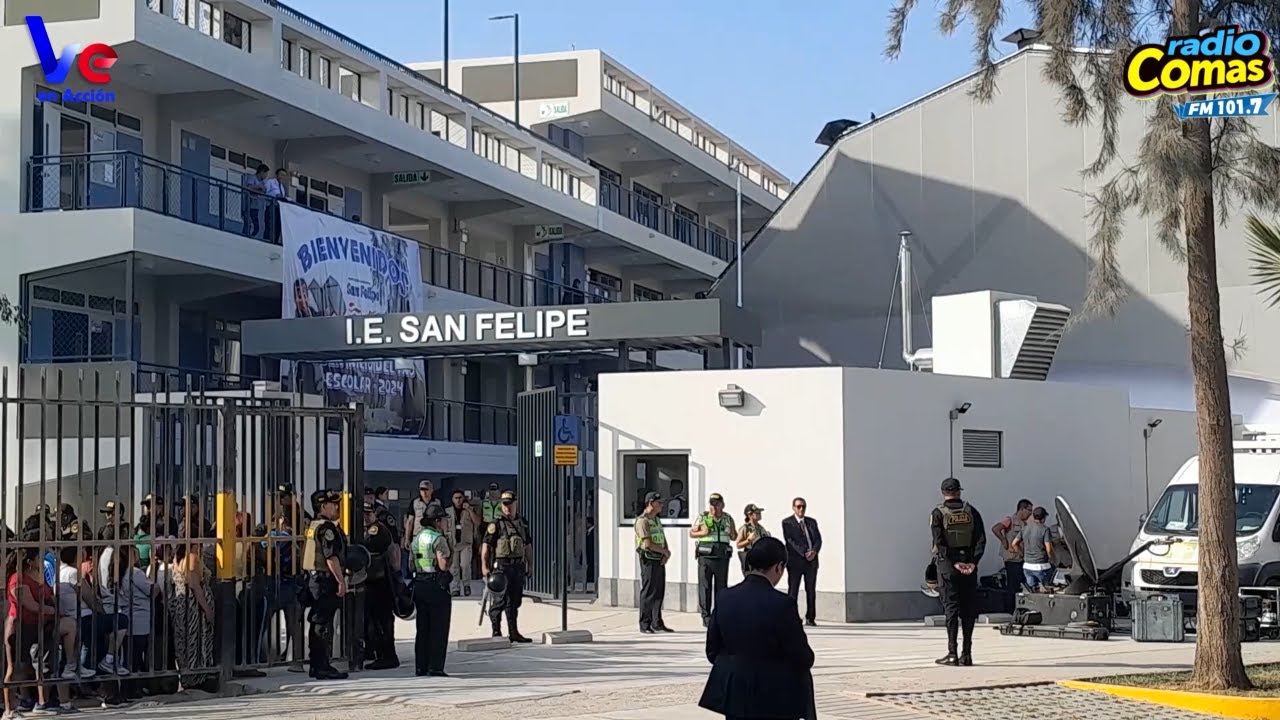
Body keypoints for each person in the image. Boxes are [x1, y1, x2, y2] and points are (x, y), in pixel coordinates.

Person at [698, 537, 816, 720]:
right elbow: (802, 656)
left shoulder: (724, 597)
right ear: (779, 567)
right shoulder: (783, 604)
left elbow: (712, 651)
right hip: (775, 697)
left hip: (735, 695)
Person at [931, 477, 986, 666]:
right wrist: (972, 562)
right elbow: (981, 539)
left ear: (943, 492)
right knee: (968, 611)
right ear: (959, 491)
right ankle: (967, 654)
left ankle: (952, 653)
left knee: (951, 610)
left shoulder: (938, 513)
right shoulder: (972, 511)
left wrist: (954, 562)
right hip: (969, 567)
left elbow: (939, 542)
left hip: (948, 568)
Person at [5, 544, 59, 716]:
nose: (41, 561)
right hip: (20, 626)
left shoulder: (38, 576)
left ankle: (36, 701)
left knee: (36, 665)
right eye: (38, 558)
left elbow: (49, 595)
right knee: (15, 668)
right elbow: (30, 605)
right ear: (29, 561)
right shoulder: (17, 579)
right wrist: (53, 611)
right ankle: (9, 709)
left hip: (39, 626)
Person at [302, 489, 349, 679]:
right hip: (324, 580)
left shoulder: (314, 525)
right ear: (323, 506)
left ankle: (317, 665)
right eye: (332, 504)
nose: (336, 507)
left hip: (314, 578)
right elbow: (331, 557)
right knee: (322, 624)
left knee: (317, 622)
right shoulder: (326, 528)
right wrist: (340, 581)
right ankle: (322, 666)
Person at [480, 490, 533, 643]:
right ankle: (496, 632)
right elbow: (486, 546)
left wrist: (531, 564)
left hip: (517, 566)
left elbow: (527, 545)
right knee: (499, 601)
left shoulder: (522, 522)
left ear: (516, 503)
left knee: (514, 602)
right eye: (505, 504)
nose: (508, 507)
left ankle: (513, 632)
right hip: (501, 567)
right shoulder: (496, 524)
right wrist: (484, 566)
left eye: (510, 504)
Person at [410, 505, 452, 677]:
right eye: (442, 519)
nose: (444, 522)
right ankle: (435, 667)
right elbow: (443, 564)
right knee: (438, 628)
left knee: (422, 628)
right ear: (437, 521)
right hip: (436, 585)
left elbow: (411, 564)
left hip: (419, 583)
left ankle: (421, 666)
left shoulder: (417, 538)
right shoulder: (438, 539)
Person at [171, 541, 216, 692]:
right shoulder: (192, 558)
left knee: (184, 641)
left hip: (181, 605)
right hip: (193, 607)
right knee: (196, 640)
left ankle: (187, 676)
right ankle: (197, 677)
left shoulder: (178, 558)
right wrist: (207, 609)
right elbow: (195, 586)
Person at [360, 501, 400, 670]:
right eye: (363, 513)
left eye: (368, 513)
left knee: (381, 620)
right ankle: (374, 652)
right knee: (372, 621)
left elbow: (370, 550)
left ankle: (387, 656)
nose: (365, 517)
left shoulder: (377, 531)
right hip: (371, 582)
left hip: (380, 582)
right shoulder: (366, 530)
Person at [691, 493, 736, 627]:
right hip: (706, 556)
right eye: (712, 504)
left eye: (717, 504)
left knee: (721, 587)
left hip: (722, 556)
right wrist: (703, 533)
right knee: (705, 586)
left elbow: (734, 537)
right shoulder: (703, 517)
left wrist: (731, 533)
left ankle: (720, 614)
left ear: (722, 505)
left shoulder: (728, 518)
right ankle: (706, 616)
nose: (714, 507)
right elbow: (692, 533)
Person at [634, 492, 672, 634]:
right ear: (650, 503)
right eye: (659, 502)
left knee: (659, 591)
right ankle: (645, 623)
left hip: (659, 559)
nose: (662, 505)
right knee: (649, 591)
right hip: (649, 559)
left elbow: (661, 537)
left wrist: (666, 551)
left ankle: (657, 622)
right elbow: (648, 543)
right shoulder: (642, 521)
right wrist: (664, 552)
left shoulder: (656, 519)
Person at [781, 498, 821, 626]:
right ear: (793, 508)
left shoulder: (811, 522)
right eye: (798, 506)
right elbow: (791, 541)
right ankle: (791, 617)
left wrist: (814, 551)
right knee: (793, 590)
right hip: (796, 562)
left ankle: (810, 617)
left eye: (803, 506)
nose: (801, 509)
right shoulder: (787, 523)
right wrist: (805, 552)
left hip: (811, 562)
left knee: (811, 589)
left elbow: (818, 539)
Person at [992, 499, 1033, 612]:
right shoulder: (1010, 520)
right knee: (1012, 586)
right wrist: (1004, 541)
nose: (1030, 513)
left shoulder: (1025, 524)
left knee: (1020, 585)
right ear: (1022, 509)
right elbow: (995, 529)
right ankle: (1009, 610)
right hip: (1011, 558)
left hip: (1021, 558)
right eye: (1029, 510)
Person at [1011, 506, 1055, 592]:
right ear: (1043, 518)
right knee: (1047, 589)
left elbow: (1014, 543)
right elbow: (1049, 549)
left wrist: (1021, 554)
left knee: (1032, 591)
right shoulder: (1045, 529)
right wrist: (1053, 559)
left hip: (1027, 566)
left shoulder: (1025, 528)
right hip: (1042, 566)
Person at [445, 490, 478, 597]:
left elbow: (477, 522)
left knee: (465, 565)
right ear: (452, 499)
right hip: (453, 543)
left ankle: (466, 585)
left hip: (466, 542)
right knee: (454, 567)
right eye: (456, 498)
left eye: (460, 498)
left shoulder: (469, 510)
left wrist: (469, 509)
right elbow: (444, 525)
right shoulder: (448, 511)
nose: (458, 500)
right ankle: (455, 588)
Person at [736, 504, 770, 574]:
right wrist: (748, 540)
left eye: (760, 512)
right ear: (750, 515)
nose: (759, 514)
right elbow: (738, 545)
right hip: (750, 555)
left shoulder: (761, 528)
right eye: (757, 513)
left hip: (761, 556)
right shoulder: (745, 528)